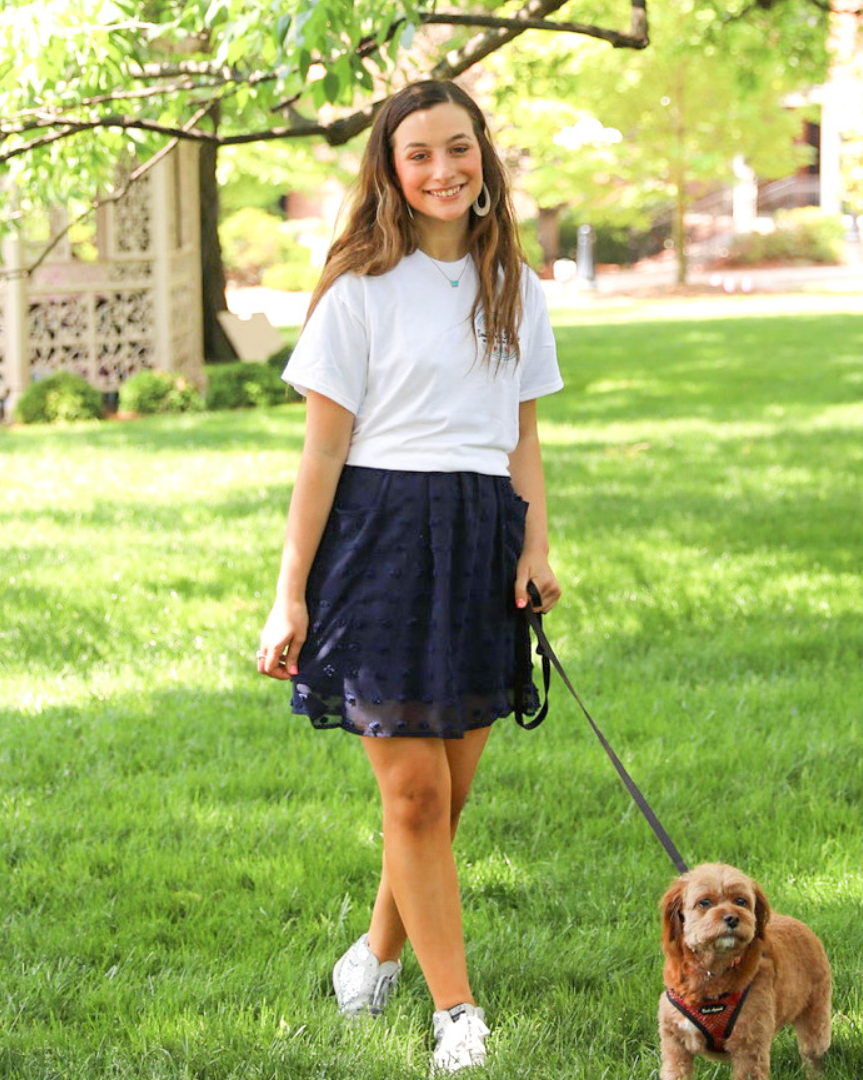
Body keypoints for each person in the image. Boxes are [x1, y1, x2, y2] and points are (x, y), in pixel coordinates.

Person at [255, 79, 563, 1075]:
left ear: (485, 157)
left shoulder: (517, 284)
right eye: (419, 153)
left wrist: (535, 546)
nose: (442, 170)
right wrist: (289, 590)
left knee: (446, 794)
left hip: (480, 538)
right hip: (381, 541)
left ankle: (377, 953)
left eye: (458, 149)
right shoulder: (358, 291)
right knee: (416, 799)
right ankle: (456, 1013)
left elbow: (522, 437)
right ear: (389, 169)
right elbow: (319, 459)